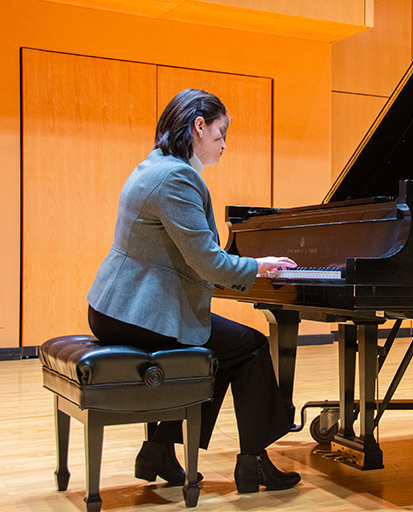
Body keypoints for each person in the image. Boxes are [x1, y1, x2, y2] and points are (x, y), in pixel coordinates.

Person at [87, 88, 300, 493]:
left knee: (215, 346)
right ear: (198, 126)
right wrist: (258, 266)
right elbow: (208, 262)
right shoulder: (176, 178)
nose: (224, 144)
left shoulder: (156, 165)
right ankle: (253, 462)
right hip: (135, 312)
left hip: (116, 307)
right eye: (220, 133)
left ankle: (160, 450)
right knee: (249, 347)